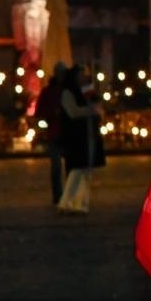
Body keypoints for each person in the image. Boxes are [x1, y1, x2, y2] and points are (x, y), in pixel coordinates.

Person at [56, 65, 105, 214]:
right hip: (75, 136)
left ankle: (81, 204)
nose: (83, 77)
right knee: (77, 169)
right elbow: (73, 112)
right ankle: (66, 202)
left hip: (89, 135)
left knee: (86, 172)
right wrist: (91, 110)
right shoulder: (67, 92)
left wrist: (94, 105)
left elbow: (97, 106)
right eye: (80, 75)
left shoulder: (86, 92)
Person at [34, 63, 68, 205]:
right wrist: (52, 114)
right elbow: (40, 111)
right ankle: (58, 195)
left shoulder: (68, 90)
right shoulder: (48, 92)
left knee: (70, 168)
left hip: (67, 134)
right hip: (55, 133)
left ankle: (68, 195)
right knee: (56, 167)